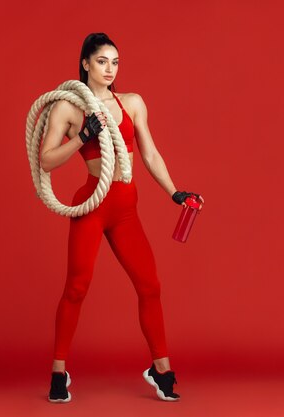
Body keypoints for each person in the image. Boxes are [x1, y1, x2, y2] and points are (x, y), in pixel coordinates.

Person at [40, 32, 204, 403]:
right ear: (85, 63)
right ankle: (58, 371)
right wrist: (83, 136)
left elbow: (150, 153)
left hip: (125, 207)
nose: (110, 68)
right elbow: (46, 161)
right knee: (77, 287)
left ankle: (161, 371)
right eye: (102, 61)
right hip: (92, 204)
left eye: (115, 61)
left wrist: (175, 192)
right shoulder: (67, 107)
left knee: (150, 286)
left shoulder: (131, 102)